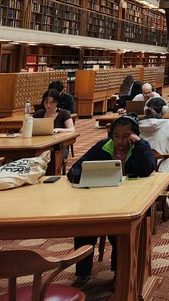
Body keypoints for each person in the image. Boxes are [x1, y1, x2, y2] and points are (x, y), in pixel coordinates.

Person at [67, 115, 155, 283]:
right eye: (116, 136)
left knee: (120, 232)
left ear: (134, 135)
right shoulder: (102, 147)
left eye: (125, 136)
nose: (120, 142)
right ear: (110, 135)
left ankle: (119, 272)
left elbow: (146, 169)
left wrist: (140, 144)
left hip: (130, 201)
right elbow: (75, 170)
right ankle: (83, 273)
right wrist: (89, 178)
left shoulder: (139, 148)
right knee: (84, 229)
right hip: (100, 201)